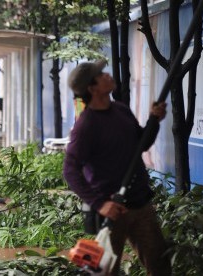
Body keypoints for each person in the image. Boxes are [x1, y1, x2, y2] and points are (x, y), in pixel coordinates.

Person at [63, 60, 171, 275]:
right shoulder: (86, 126)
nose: (107, 75)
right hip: (111, 210)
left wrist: (154, 120)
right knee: (105, 271)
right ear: (92, 88)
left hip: (140, 203)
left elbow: (142, 143)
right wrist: (100, 204)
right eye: (101, 75)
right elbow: (70, 170)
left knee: (160, 263)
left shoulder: (120, 110)